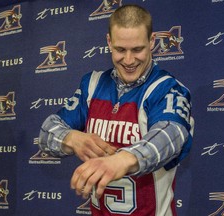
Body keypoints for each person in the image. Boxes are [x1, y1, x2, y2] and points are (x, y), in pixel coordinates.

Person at [39, 4, 194, 216]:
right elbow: (47, 132)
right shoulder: (92, 85)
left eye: (137, 49)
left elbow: (171, 134)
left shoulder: (167, 88)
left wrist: (122, 160)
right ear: (109, 42)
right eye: (121, 49)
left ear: (152, 42)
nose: (129, 60)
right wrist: (72, 138)